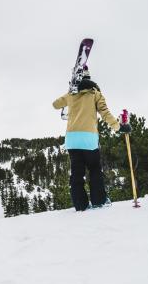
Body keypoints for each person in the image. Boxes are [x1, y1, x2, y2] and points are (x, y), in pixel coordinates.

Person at [52, 67, 131, 211]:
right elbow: (105, 114)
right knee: (94, 169)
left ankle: (80, 205)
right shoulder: (95, 94)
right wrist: (119, 127)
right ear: (89, 79)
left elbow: (55, 105)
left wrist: (69, 92)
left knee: (77, 173)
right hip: (89, 139)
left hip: (72, 140)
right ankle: (98, 200)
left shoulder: (71, 94)